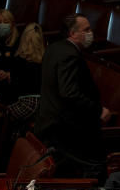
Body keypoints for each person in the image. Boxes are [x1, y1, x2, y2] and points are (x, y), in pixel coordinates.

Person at [33, 13, 113, 177]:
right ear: (72, 33)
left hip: (51, 122)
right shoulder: (70, 54)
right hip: (67, 129)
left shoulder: (54, 48)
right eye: (86, 29)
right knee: (96, 166)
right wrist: (98, 110)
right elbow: (69, 93)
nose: (90, 33)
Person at [5, 22, 45, 132]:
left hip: (27, 103)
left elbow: (14, 90)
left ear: (24, 40)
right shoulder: (45, 61)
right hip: (42, 106)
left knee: (1, 115)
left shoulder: (18, 60)